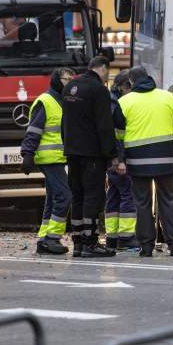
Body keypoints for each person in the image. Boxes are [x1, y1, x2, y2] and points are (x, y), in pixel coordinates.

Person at [113, 66, 173, 257]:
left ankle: (146, 247)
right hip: (166, 160)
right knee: (169, 201)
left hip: (138, 162)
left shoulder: (124, 101)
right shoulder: (167, 97)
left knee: (142, 203)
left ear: (131, 82)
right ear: (149, 77)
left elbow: (119, 133)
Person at [62, 55, 118, 258]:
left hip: (72, 152)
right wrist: (112, 154)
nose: (106, 77)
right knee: (93, 196)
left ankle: (77, 242)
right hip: (92, 154)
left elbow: (64, 122)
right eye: (107, 72)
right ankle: (90, 242)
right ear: (102, 68)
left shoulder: (70, 87)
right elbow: (104, 125)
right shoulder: (99, 90)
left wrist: (67, 147)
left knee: (77, 195)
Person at [20, 67, 75, 255]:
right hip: (48, 158)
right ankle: (52, 238)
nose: (70, 82)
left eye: (71, 78)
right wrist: (27, 153)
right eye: (67, 79)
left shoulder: (61, 101)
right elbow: (33, 130)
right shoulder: (46, 101)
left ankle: (44, 240)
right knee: (65, 196)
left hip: (57, 158)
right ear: (57, 80)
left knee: (53, 199)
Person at [105, 70, 137, 250]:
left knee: (114, 195)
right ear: (125, 87)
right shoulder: (117, 103)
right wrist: (120, 159)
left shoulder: (110, 101)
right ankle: (126, 237)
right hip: (118, 159)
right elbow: (118, 135)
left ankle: (112, 238)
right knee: (127, 193)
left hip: (111, 158)